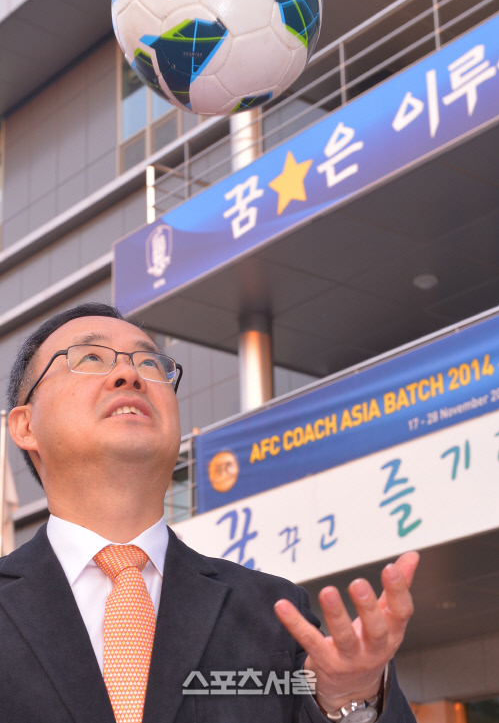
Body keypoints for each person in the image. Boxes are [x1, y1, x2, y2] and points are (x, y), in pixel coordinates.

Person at [2, 302, 419, 723]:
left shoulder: (274, 611)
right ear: (25, 426)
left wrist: (353, 700)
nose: (129, 375)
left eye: (149, 362)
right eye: (90, 357)